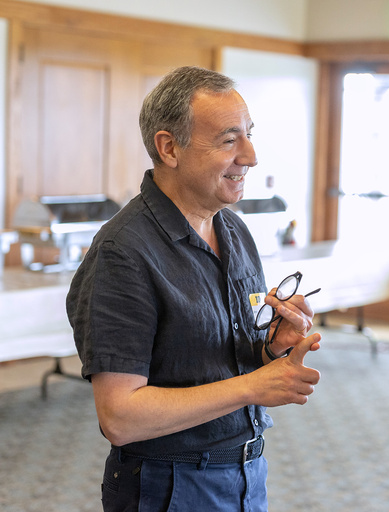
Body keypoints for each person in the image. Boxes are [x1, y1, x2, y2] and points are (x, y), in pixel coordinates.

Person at [66, 66, 322, 512]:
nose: (251, 155)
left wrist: (271, 350)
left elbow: (220, 363)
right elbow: (120, 417)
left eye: (249, 135)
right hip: (169, 488)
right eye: (229, 140)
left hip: (245, 474)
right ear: (169, 148)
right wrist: (253, 387)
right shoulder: (122, 252)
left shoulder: (234, 230)